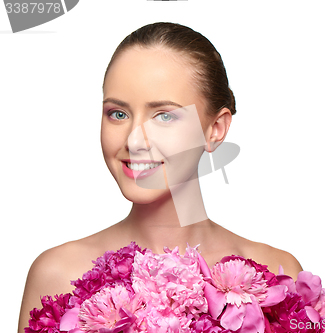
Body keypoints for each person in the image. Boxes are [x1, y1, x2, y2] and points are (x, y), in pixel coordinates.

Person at [17, 22, 302, 332]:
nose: (134, 141)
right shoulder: (57, 274)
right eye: (118, 114)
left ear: (215, 129)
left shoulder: (276, 276)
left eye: (164, 116)